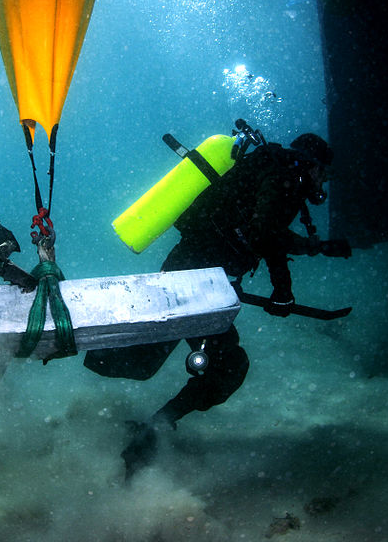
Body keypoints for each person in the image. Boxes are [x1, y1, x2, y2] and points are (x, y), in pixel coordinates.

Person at [84, 132, 351, 479]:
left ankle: (141, 419)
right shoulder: (283, 177)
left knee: (148, 358)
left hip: (193, 274)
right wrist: (284, 288)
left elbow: (261, 233)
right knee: (226, 366)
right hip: (197, 281)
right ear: (311, 165)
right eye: (324, 173)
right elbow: (264, 234)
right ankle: (150, 431)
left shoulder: (270, 171)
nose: (323, 181)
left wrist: (307, 257)